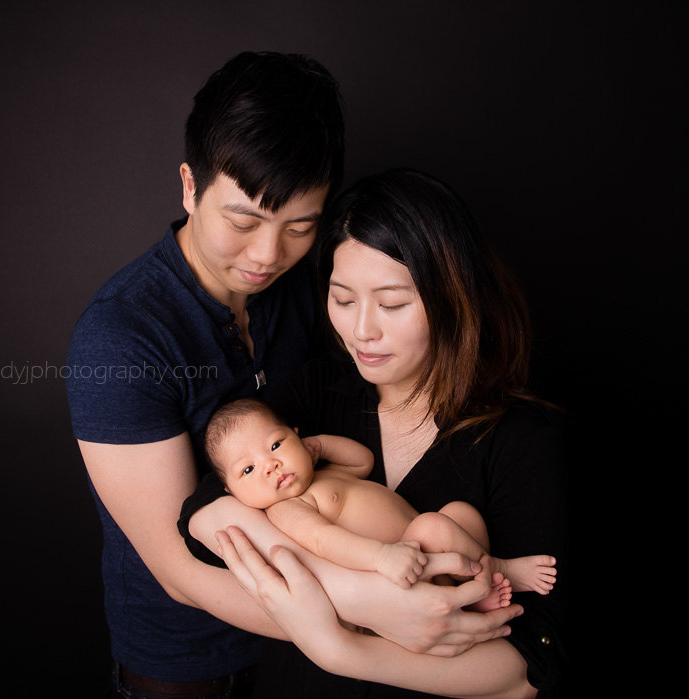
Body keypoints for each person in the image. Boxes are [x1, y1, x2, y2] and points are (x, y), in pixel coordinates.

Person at [66, 54, 519, 699]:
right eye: (243, 222)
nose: (266, 256)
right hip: (192, 657)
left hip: (323, 655)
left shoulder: (306, 287)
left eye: (299, 227)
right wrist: (367, 612)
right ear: (190, 187)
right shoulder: (123, 337)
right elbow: (179, 573)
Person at [183, 169, 570, 697]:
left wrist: (344, 649)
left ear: (452, 298)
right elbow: (208, 509)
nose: (362, 330)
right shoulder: (322, 389)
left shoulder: (520, 437)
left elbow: (531, 667)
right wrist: (359, 597)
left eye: (391, 304)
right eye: (343, 300)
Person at [205, 396, 557, 599]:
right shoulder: (288, 509)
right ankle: (499, 569)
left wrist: (321, 446)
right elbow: (326, 540)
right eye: (248, 470)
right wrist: (382, 557)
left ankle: (473, 590)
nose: (271, 465)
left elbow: (363, 460)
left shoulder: (324, 474)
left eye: (277, 444)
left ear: (298, 437)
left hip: (426, 545)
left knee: (459, 512)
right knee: (435, 524)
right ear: (231, 492)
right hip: (399, 562)